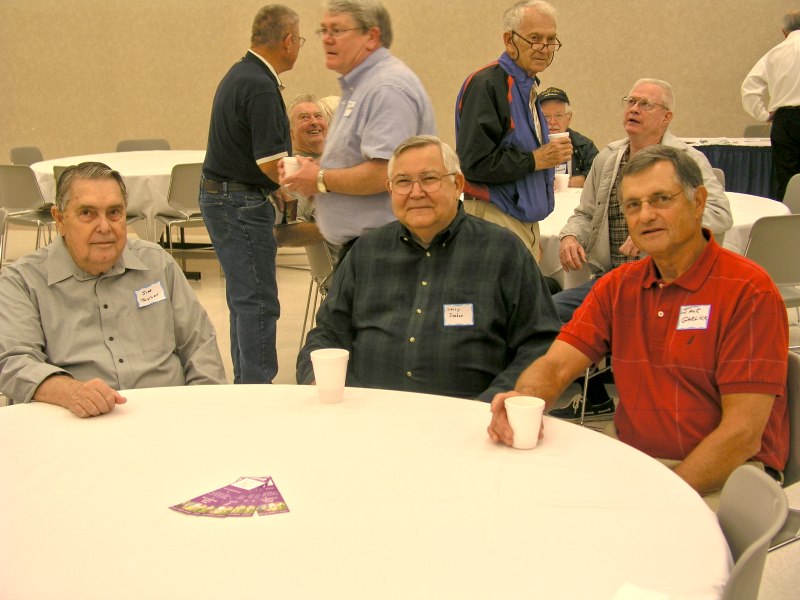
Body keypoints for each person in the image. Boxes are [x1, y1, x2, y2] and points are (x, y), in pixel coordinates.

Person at [488, 145, 789, 508]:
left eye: (661, 199)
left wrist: (662, 495)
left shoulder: (747, 290)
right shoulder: (619, 287)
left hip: (726, 476)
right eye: (633, 205)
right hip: (636, 462)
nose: (645, 215)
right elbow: (556, 365)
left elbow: (742, 435)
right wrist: (528, 397)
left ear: (698, 203)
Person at [296, 136, 561, 401]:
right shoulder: (365, 252)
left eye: (429, 178)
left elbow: (539, 342)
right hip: (369, 418)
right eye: (403, 182)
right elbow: (326, 334)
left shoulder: (503, 252)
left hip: (473, 423)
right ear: (390, 190)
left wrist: (492, 403)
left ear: (457, 184)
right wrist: (323, 382)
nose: (416, 192)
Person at [549, 78, 733, 421]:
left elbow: (720, 214)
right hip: (614, 279)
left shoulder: (687, 160)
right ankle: (596, 394)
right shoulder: (608, 157)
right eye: (630, 101)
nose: (633, 109)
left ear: (666, 118)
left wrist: (658, 228)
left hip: (668, 281)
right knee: (546, 312)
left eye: (645, 104)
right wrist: (570, 237)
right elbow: (584, 213)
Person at [0, 162, 226, 418]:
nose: (105, 227)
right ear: (60, 219)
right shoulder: (23, 281)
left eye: (114, 212)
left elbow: (199, 344)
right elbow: (13, 362)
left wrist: (206, 409)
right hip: (78, 423)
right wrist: (70, 391)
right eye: (87, 213)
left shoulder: (156, 264)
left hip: (167, 417)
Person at [282, 0, 435, 262]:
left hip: (384, 250)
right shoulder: (360, 88)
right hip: (363, 249)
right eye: (324, 31)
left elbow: (384, 172)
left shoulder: (386, 89)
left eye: (338, 31)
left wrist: (319, 178)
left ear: (371, 37)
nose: (327, 40)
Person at [199, 5, 303, 384]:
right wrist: (306, 186)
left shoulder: (242, 72)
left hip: (225, 197)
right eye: (301, 39)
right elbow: (269, 162)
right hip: (239, 203)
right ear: (288, 41)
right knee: (258, 302)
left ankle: (247, 384)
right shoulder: (259, 84)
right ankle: (258, 389)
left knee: (244, 301)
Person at [455, 0, 573, 261]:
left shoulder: (528, 87)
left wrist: (531, 230)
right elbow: (473, 164)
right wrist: (537, 159)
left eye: (551, 39)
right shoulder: (488, 85)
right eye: (534, 38)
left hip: (522, 222)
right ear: (509, 40)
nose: (544, 48)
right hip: (495, 218)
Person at [742, 10, 800, 201]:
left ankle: (789, 225)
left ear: (784, 31)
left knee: (788, 179)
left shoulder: (774, 54)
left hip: (786, 121)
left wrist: (765, 115)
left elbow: (749, 89)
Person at [273, 94, 329, 249]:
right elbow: (284, 234)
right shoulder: (294, 171)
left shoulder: (337, 163)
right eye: (304, 118)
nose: (314, 122)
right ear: (291, 133)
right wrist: (339, 229)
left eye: (318, 116)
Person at [538, 86, 598, 187]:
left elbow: (599, 176)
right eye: (546, 116)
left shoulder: (584, 145)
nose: (552, 122)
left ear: (569, 118)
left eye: (558, 115)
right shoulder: (528, 144)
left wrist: (564, 183)